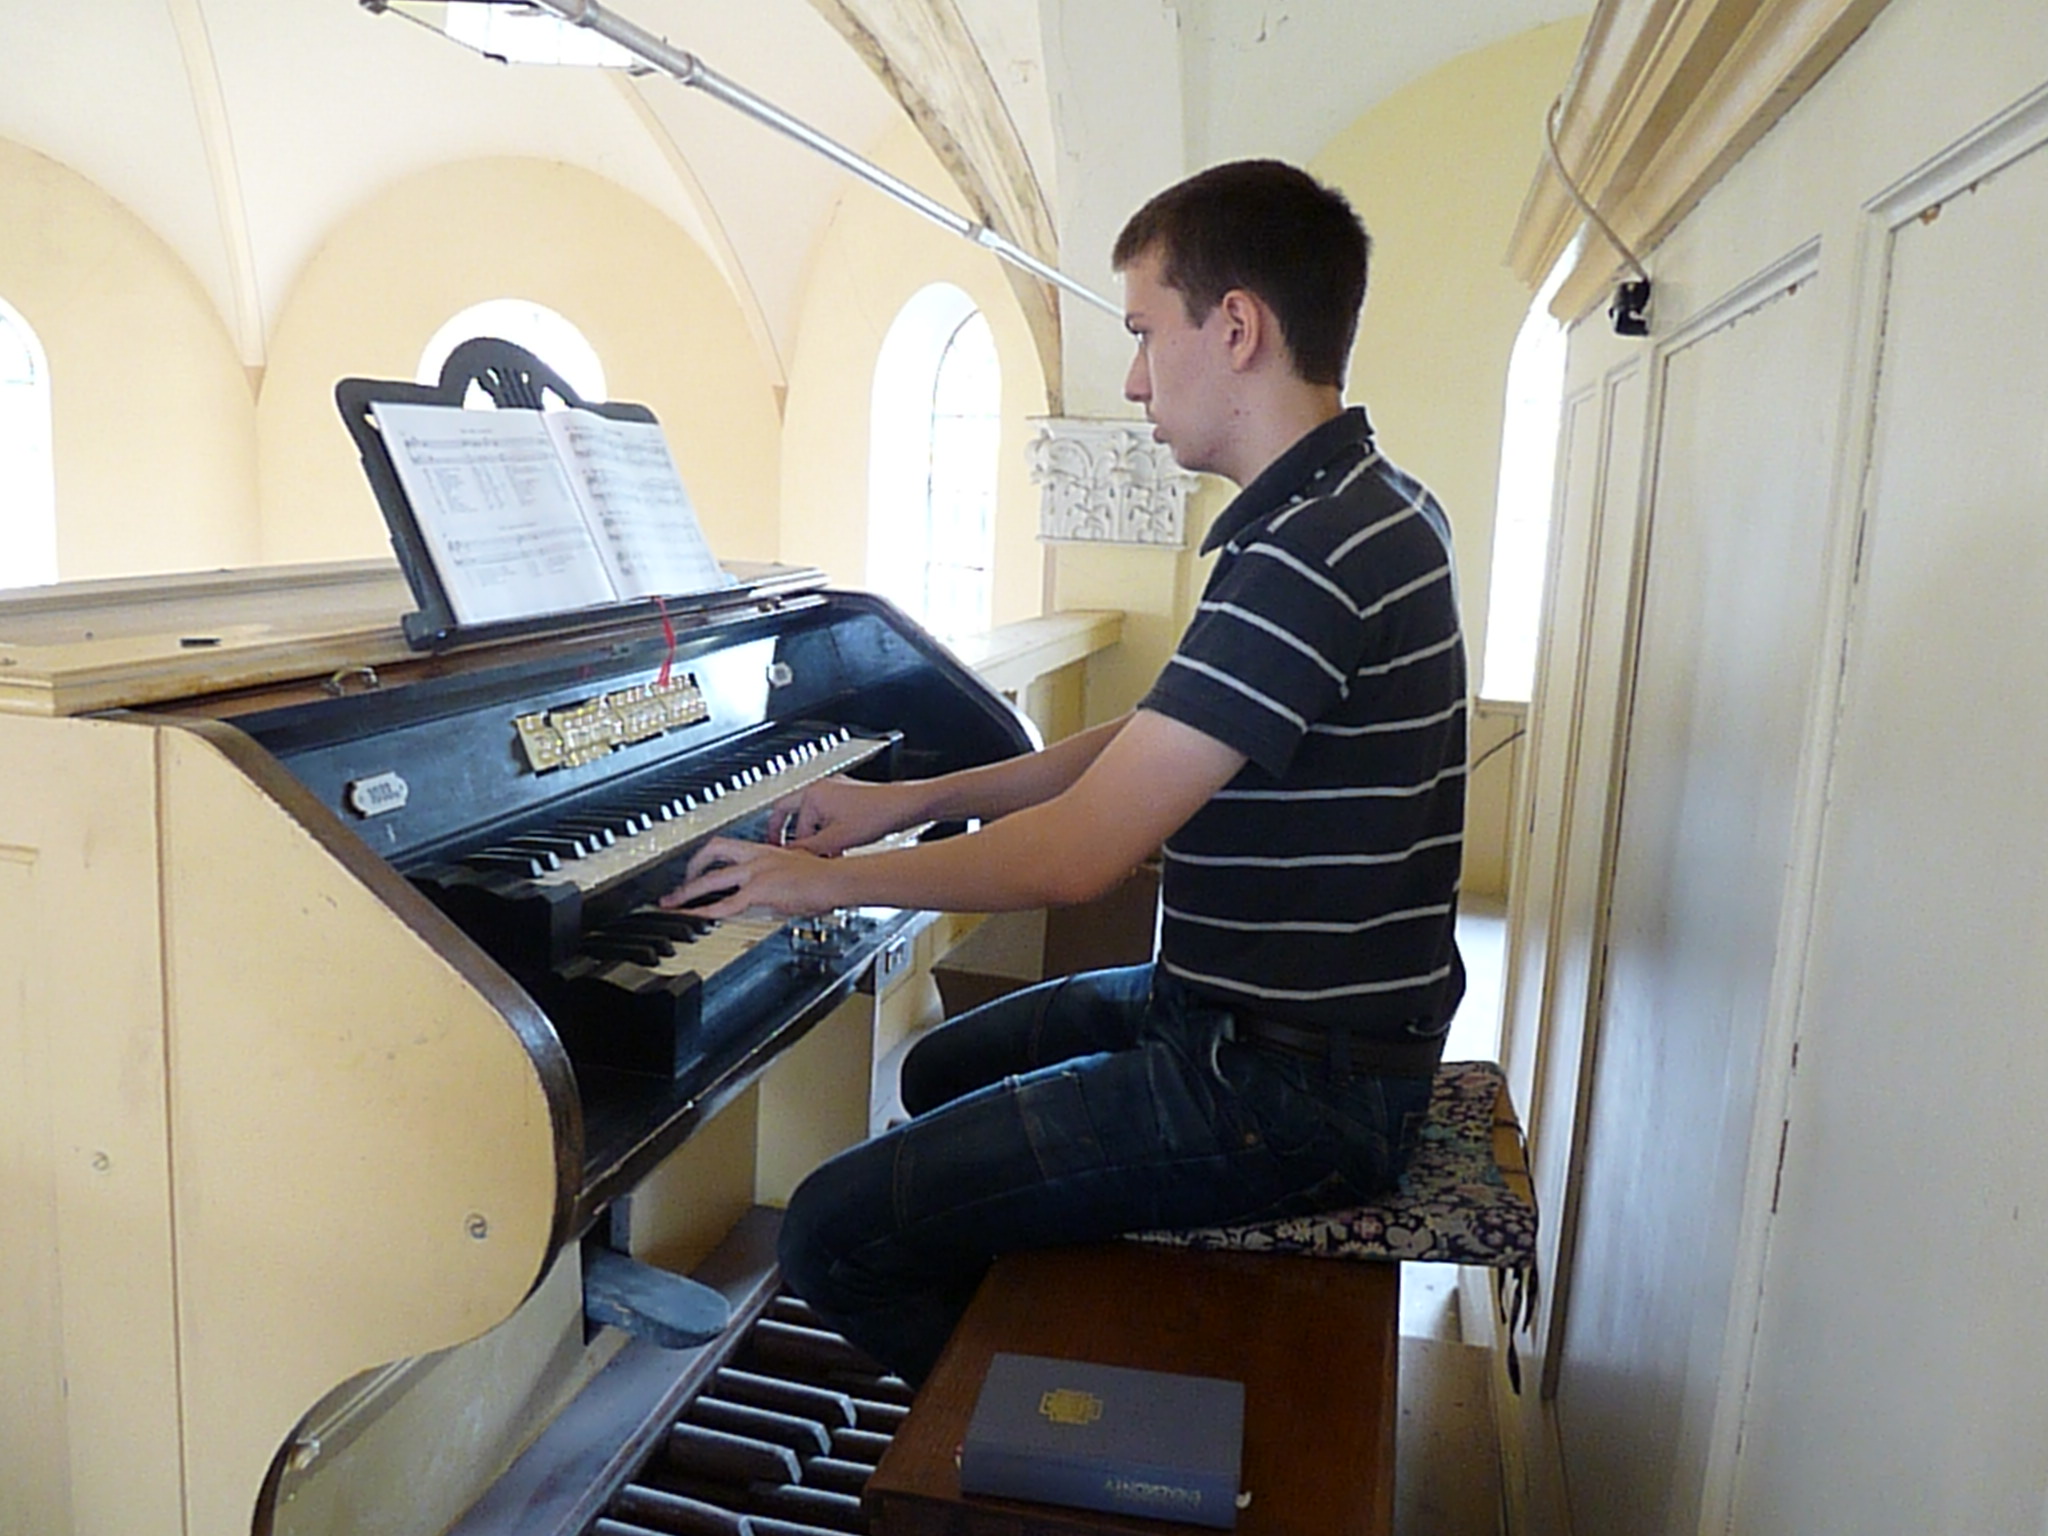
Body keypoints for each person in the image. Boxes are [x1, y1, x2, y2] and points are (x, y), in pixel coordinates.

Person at [662, 159, 1467, 1384]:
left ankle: (1043, 1430)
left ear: (1235, 328)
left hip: (1288, 1090)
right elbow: (1149, 737)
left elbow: (1080, 857)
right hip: (1262, 1024)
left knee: (830, 1232)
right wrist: (909, 800)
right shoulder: (1357, 507)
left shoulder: (1309, 554)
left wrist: (816, 884)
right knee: (940, 1066)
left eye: (1143, 332)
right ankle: (1037, 1308)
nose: (1134, 379)